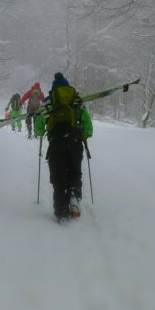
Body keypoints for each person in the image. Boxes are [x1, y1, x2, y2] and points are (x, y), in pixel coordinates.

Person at [37, 72, 93, 220]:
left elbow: (38, 127)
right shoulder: (76, 100)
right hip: (75, 144)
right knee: (75, 172)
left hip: (56, 144)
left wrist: (41, 132)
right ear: (67, 86)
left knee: (58, 177)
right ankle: (74, 195)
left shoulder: (48, 102)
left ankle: (61, 209)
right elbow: (88, 125)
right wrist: (85, 135)